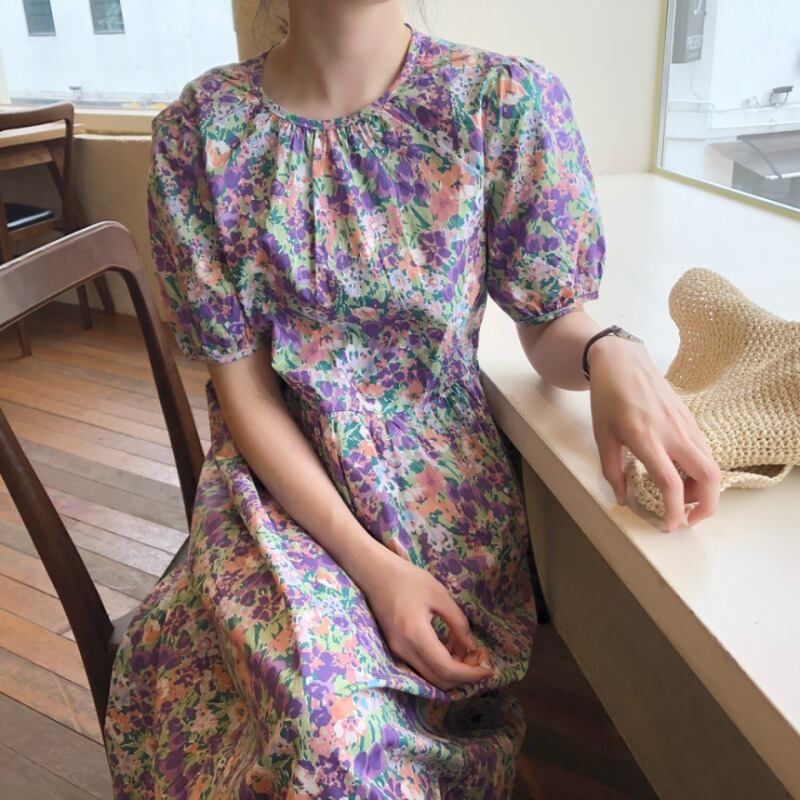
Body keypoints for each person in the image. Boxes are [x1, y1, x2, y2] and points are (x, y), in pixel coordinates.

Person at [103, 1, 722, 797]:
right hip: (280, 501)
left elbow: (547, 318)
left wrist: (611, 351)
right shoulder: (199, 132)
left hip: (440, 508)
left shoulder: (501, 101)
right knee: (318, 728)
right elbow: (245, 393)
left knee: (340, 737)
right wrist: (373, 569)